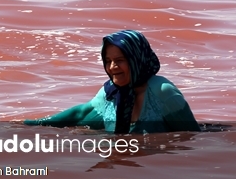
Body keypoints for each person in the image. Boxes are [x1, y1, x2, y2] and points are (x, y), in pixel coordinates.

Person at [24, 30, 200, 134]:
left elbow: (192, 139)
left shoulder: (163, 92)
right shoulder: (110, 93)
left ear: (137, 59)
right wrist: (33, 125)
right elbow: (80, 115)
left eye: (120, 60)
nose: (113, 67)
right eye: (108, 61)